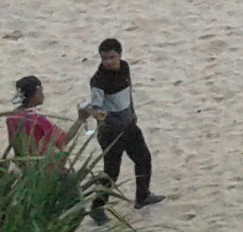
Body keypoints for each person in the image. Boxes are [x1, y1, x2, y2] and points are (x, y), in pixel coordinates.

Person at [77, 38, 160, 222]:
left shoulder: (125, 68)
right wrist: (95, 113)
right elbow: (96, 105)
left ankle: (142, 196)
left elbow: (128, 94)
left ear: (120, 55)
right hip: (111, 133)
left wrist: (133, 114)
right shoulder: (98, 81)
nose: (108, 62)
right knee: (111, 172)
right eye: (104, 58)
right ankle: (97, 209)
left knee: (143, 159)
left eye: (112, 57)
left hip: (129, 125)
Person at [8, 75, 68, 155]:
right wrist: (80, 120)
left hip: (22, 163)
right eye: (41, 92)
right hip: (42, 164)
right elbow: (62, 141)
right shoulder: (37, 119)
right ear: (36, 93)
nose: (43, 95)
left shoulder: (12, 117)